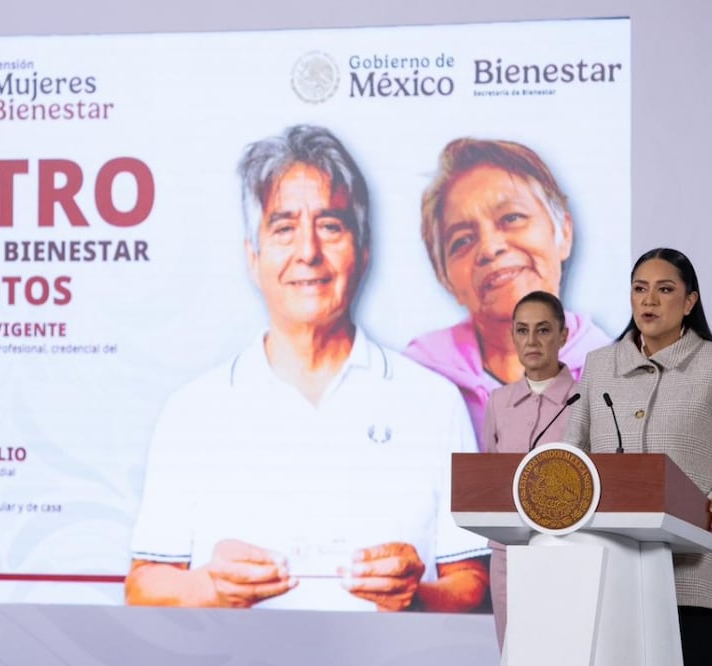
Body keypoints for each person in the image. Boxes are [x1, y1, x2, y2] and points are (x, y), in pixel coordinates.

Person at [126, 125, 490, 611]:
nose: (308, 252)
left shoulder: (438, 401)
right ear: (252, 258)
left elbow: (474, 583)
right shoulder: (191, 410)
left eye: (331, 225)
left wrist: (416, 597)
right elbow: (143, 587)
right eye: (283, 228)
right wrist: (211, 587)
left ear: (363, 251)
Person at [564, 248, 712, 665]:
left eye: (665, 289)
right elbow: (573, 459)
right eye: (640, 289)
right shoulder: (600, 366)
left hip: (694, 575)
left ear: (689, 301)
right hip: (613, 573)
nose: (649, 300)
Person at [405, 138, 610, 451]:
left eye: (512, 218)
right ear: (445, 278)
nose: (489, 248)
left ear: (563, 233)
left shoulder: (619, 380)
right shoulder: (413, 383)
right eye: (462, 240)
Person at [481, 290, 578, 649]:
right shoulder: (498, 402)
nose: (532, 341)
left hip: (566, 549)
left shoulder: (586, 400)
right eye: (522, 330)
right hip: (508, 552)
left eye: (543, 330)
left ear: (563, 335)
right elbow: (489, 474)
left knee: (563, 648)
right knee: (514, 650)